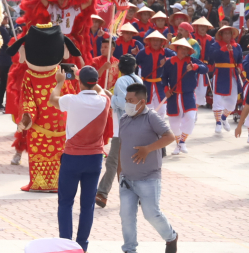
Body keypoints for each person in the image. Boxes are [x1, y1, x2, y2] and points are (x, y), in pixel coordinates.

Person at [52, 65, 111, 251]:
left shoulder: (71, 100)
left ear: (79, 82)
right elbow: (101, 90)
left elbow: (52, 100)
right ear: (95, 82)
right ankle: (82, 246)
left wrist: (60, 82)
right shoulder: (104, 101)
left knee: (66, 203)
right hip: (94, 159)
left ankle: (66, 245)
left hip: (72, 158)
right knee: (87, 206)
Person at [117, 83, 178, 253]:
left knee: (151, 214)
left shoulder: (151, 117)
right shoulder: (124, 119)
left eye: (131, 100)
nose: (127, 103)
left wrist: (148, 149)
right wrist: (119, 173)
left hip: (148, 178)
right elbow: (122, 146)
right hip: (126, 180)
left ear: (142, 102)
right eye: (126, 100)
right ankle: (129, 249)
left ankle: (171, 237)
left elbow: (170, 136)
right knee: (126, 217)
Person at [96, 54, 142, 208]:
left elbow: (124, 103)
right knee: (127, 163)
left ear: (120, 68)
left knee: (114, 161)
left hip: (122, 127)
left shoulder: (122, 81)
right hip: (136, 126)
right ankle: (132, 193)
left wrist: (110, 98)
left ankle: (103, 193)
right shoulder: (138, 80)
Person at [162, 38, 207, 154]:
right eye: (182, 48)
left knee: (191, 117)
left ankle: (182, 141)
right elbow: (163, 78)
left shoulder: (192, 61)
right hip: (173, 96)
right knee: (174, 122)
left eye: (186, 48)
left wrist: (195, 67)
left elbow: (205, 69)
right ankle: (178, 143)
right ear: (177, 49)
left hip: (188, 95)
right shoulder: (169, 62)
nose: (184, 50)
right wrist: (166, 89)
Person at [207, 24, 243, 133]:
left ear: (232, 34)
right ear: (221, 35)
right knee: (217, 99)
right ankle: (218, 122)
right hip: (220, 74)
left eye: (229, 33)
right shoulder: (215, 45)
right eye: (225, 33)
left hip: (232, 74)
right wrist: (223, 49)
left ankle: (223, 118)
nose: (227, 35)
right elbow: (211, 57)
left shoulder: (237, 46)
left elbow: (240, 61)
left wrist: (240, 69)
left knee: (232, 102)